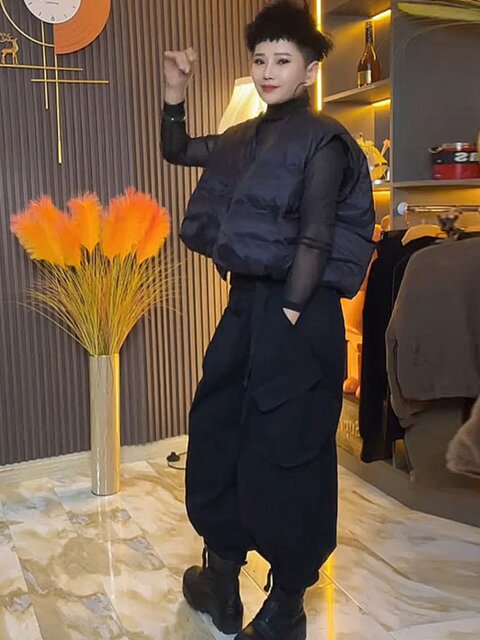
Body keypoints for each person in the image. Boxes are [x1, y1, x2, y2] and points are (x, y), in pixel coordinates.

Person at [160, 2, 375, 639]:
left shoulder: (325, 139)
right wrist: (175, 91)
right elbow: (178, 149)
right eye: (260, 59)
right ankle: (222, 582)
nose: (268, 70)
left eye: (283, 59)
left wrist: (289, 309)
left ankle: (286, 607)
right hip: (248, 307)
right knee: (220, 430)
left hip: (299, 313)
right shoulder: (243, 137)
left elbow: (317, 235)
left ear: (309, 70)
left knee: (290, 448)